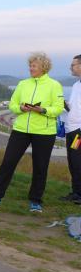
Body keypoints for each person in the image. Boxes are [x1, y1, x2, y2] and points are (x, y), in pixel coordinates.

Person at [0, 52, 64, 212]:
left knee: (40, 167)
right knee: (8, 162)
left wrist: (42, 110)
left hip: (44, 132)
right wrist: (21, 108)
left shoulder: (54, 85)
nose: (31, 68)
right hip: (21, 130)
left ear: (43, 67)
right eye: (30, 65)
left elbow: (58, 108)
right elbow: (12, 105)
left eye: (34, 66)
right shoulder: (22, 84)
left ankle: (35, 201)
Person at [61, 55, 81, 204]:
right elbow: (75, 107)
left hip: (79, 132)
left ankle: (78, 194)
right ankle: (76, 192)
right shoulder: (76, 85)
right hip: (71, 129)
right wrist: (64, 105)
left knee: (77, 160)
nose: (70, 67)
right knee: (72, 161)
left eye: (73, 65)